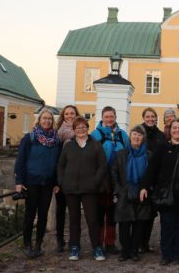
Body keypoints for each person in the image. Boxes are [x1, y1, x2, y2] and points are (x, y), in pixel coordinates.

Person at [140, 118, 179, 265]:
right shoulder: (162, 147)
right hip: (166, 193)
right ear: (170, 130)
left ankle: (178, 253)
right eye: (174, 128)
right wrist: (144, 186)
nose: (177, 130)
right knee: (167, 223)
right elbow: (152, 169)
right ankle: (166, 254)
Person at [56, 116, 107, 262]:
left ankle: (97, 247)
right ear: (74, 130)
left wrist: (95, 182)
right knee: (74, 219)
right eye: (78, 127)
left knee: (92, 219)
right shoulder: (68, 146)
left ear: (87, 128)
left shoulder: (96, 145)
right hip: (71, 188)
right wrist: (62, 181)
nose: (81, 129)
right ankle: (74, 247)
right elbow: (60, 165)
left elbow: (102, 166)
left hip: (89, 189)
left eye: (83, 127)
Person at [14, 108, 62, 258]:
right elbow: (20, 161)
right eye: (44, 118)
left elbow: (57, 164)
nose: (47, 121)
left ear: (52, 121)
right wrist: (19, 181)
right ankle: (27, 244)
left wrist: (56, 182)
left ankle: (38, 245)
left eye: (49, 119)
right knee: (30, 214)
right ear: (39, 120)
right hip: (32, 181)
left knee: (43, 215)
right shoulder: (30, 138)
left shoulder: (56, 140)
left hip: (47, 183)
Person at [111, 125, 154, 262]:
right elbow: (114, 173)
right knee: (124, 224)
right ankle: (125, 251)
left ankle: (134, 250)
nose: (136, 137)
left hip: (142, 193)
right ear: (130, 136)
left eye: (140, 135)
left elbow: (152, 175)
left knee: (138, 225)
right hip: (124, 192)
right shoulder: (121, 154)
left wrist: (147, 188)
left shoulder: (148, 155)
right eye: (134, 134)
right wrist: (118, 190)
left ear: (143, 138)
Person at [90, 106, 129, 255]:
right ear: (102, 117)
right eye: (106, 117)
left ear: (115, 117)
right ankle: (98, 243)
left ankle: (110, 243)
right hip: (101, 178)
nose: (109, 119)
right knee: (99, 212)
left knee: (113, 213)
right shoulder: (95, 134)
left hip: (116, 179)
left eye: (111, 116)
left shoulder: (122, 135)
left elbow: (127, 152)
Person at [139, 107, 166, 253]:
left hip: (156, 178)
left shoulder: (161, 135)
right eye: (147, 116)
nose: (150, 119)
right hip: (141, 175)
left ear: (156, 118)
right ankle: (137, 241)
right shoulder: (138, 132)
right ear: (144, 117)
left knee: (150, 213)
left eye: (152, 117)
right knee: (140, 211)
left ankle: (145, 242)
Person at [54, 104, 80, 253]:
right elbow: (55, 159)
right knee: (60, 210)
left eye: (72, 114)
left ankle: (73, 241)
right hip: (62, 176)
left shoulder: (81, 132)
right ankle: (59, 239)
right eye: (67, 114)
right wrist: (56, 180)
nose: (70, 116)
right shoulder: (58, 134)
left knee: (74, 211)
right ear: (63, 116)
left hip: (76, 177)